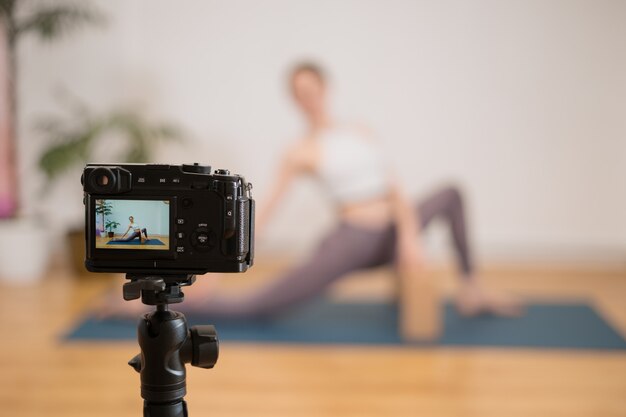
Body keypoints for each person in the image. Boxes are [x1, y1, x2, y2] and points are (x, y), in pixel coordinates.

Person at [103, 62, 521, 325]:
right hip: (352, 241)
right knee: (261, 307)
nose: (309, 98)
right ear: (295, 101)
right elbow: (264, 211)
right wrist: (218, 264)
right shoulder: (299, 151)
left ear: (326, 88)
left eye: (313, 88)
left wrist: (411, 235)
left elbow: (395, 188)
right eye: (300, 93)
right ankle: (147, 304)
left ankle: (471, 288)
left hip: (394, 229)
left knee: (451, 192)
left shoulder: (360, 132)